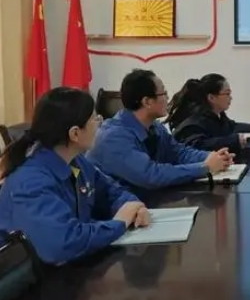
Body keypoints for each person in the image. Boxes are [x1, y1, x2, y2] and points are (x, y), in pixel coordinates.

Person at [0, 87, 151, 265]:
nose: (100, 123)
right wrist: (119, 223)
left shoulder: (75, 161)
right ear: (75, 133)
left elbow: (110, 191)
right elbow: (63, 244)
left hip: (72, 267)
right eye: (95, 119)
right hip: (32, 278)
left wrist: (134, 208)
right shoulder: (30, 182)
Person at [86, 69, 234, 190]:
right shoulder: (113, 137)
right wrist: (204, 167)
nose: (168, 98)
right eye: (163, 93)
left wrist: (212, 157)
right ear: (147, 101)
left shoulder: (154, 126)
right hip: (116, 211)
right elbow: (151, 175)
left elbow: (179, 153)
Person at [166, 74, 250, 153]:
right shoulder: (194, 122)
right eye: (227, 94)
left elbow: (231, 126)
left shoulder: (217, 115)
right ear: (211, 98)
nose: (231, 98)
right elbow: (200, 146)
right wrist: (236, 141)